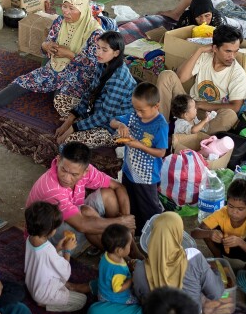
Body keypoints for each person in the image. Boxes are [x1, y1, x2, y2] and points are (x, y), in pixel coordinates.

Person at [0, 0, 103, 114]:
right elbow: (46, 44)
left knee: (60, 102)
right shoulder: (60, 22)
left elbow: (94, 66)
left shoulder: (96, 33)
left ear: (83, 10)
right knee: (24, 81)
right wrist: (46, 45)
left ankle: (75, 105)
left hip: (79, 75)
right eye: (64, 6)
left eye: (71, 8)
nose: (66, 11)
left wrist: (69, 54)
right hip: (56, 66)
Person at [25, 142, 135, 253]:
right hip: (46, 239)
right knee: (86, 213)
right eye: (63, 170)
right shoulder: (51, 189)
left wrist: (127, 220)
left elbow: (118, 187)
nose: (67, 178)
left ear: (85, 172)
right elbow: (82, 225)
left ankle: (127, 247)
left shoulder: (85, 170)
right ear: (58, 161)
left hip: (72, 218)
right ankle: (122, 256)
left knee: (108, 195)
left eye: (74, 174)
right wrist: (121, 222)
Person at [154, 24, 246, 132]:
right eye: (228, 51)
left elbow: (235, 107)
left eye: (236, 51)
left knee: (230, 115)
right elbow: (181, 78)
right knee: (167, 75)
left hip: (208, 115)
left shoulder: (238, 73)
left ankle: (191, 139)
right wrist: (200, 50)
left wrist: (202, 105)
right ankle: (161, 131)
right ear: (215, 48)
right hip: (188, 106)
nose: (232, 56)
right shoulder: (205, 57)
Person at [54, 31, 135, 147]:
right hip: (97, 107)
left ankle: (85, 125)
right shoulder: (103, 63)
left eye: (104, 50)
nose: (98, 52)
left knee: (70, 141)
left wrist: (72, 128)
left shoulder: (119, 78)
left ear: (116, 53)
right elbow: (90, 93)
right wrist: (69, 120)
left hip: (114, 123)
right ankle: (82, 122)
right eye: (98, 48)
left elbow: (105, 115)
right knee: (60, 100)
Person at [110, 82, 168, 233]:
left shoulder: (160, 125)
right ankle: (138, 232)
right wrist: (121, 126)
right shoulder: (133, 116)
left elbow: (161, 152)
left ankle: (155, 234)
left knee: (149, 207)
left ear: (156, 106)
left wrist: (140, 146)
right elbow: (113, 121)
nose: (138, 114)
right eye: (136, 109)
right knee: (131, 203)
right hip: (129, 170)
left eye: (142, 110)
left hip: (146, 176)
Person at [133, 213, 223, 310]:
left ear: (153, 234)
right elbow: (215, 293)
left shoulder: (139, 269)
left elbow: (141, 297)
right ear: (178, 233)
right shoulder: (194, 257)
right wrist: (215, 271)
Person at [24, 201, 89, 312]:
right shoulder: (47, 249)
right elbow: (65, 272)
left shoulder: (30, 238)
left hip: (31, 284)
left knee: (57, 254)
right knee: (82, 300)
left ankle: (60, 290)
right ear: (49, 230)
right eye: (55, 228)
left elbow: (43, 259)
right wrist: (67, 251)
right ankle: (45, 304)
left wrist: (58, 248)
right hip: (42, 293)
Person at [192, 178, 246, 265]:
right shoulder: (222, 212)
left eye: (240, 209)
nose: (234, 212)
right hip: (223, 245)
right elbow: (194, 232)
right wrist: (209, 233)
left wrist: (240, 242)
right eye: (230, 206)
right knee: (207, 230)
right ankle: (218, 258)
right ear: (227, 202)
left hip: (243, 250)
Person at [88, 224, 143, 314]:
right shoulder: (118, 270)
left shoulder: (106, 255)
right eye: (129, 245)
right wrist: (132, 278)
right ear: (119, 250)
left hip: (103, 291)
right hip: (115, 298)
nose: (130, 246)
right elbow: (118, 288)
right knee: (136, 301)